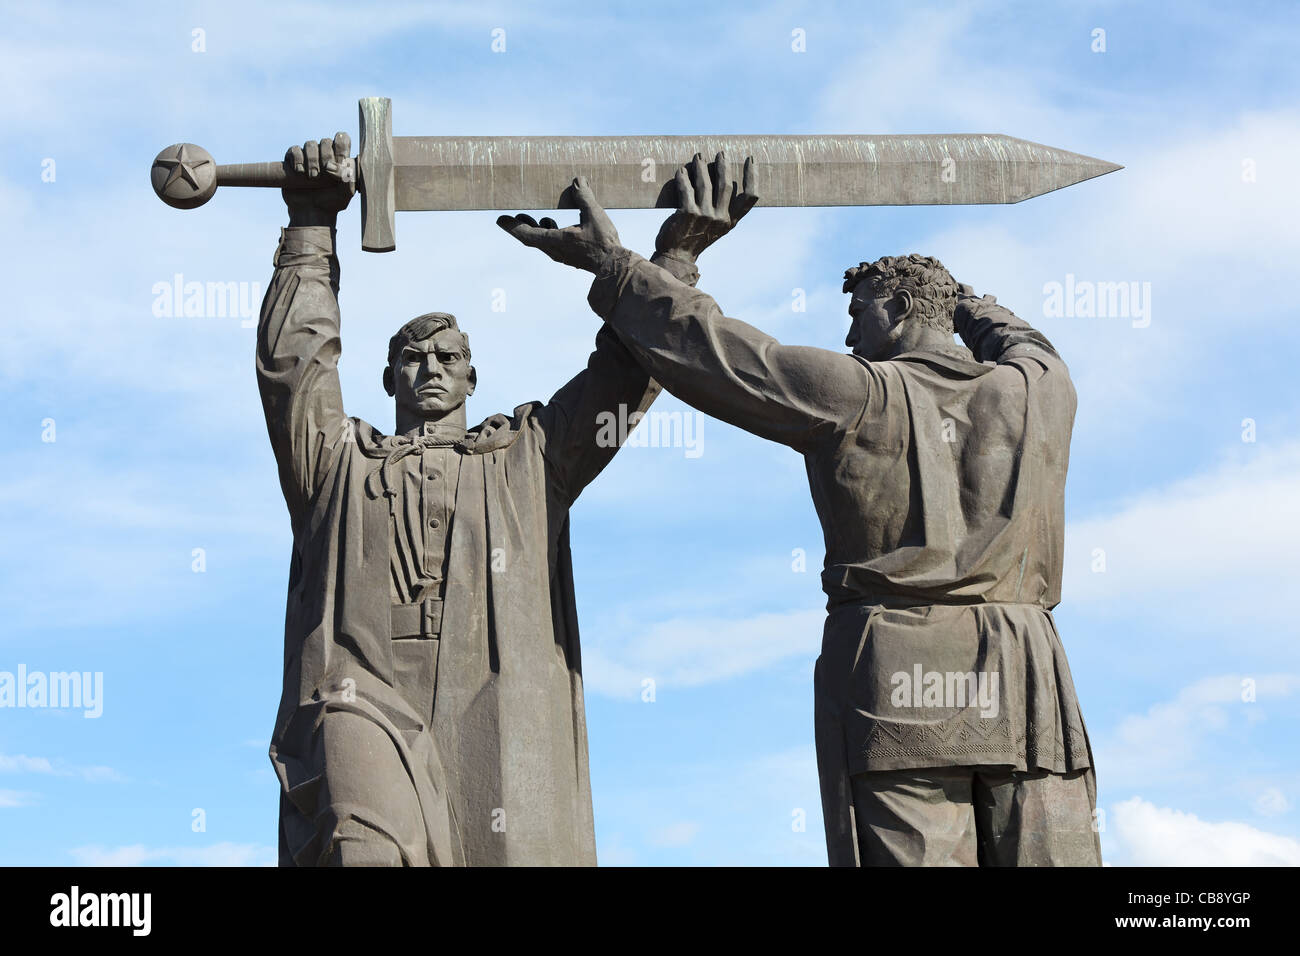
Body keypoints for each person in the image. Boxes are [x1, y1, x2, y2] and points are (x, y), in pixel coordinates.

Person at [499, 154, 1101, 866]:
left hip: (897, 670)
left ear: (901, 311)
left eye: (861, 315)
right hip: (1028, 678)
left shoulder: (856, 394)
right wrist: (957, 296)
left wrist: (618, 265)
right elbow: (1022, 339)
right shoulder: (1043, 388)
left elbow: (712, 350)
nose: (851, 338)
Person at [257, 133, 735, 865]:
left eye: (448, 358)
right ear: (388, 381)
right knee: (364, 848)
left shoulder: (527, 457)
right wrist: (308, 229)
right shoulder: (337, 463)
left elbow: (623, 376)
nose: (430, 370)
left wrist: (672, 261)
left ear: (473, 377)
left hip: (498, 695)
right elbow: (295, 371)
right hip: (363, 693)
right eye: (411, 360)